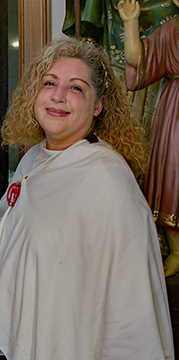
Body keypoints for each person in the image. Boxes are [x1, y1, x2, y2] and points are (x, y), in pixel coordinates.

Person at [0, 38, 174, 359]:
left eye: (76, 88)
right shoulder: (33, 160)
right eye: (49, 83)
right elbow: (6, 238)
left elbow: (132, 301)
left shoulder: (106, 179)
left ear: (98, 105)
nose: (58, 96)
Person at [118, 0, 179, 277]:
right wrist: (130, 22)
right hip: (176, 111)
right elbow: (138, 61)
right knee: (172, 175)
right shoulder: (171, 31)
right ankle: (177, 250)